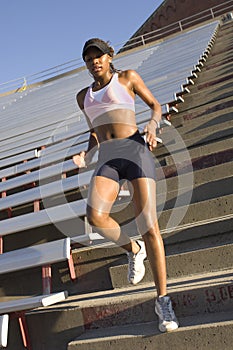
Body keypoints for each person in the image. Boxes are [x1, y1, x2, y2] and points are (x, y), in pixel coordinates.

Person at [73, 38, 179, 333]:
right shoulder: (83, 97)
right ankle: (133, 250)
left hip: (135, 150)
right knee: (95, 216)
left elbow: (155, 106)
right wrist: (86, 153)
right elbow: (94, 133)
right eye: (88, 58)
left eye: (98, 56)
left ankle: (163, 300)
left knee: (149, 226)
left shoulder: (127, 77)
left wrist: (153, 125)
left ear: (110, 57)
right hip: (108, 157)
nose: (94, 61)